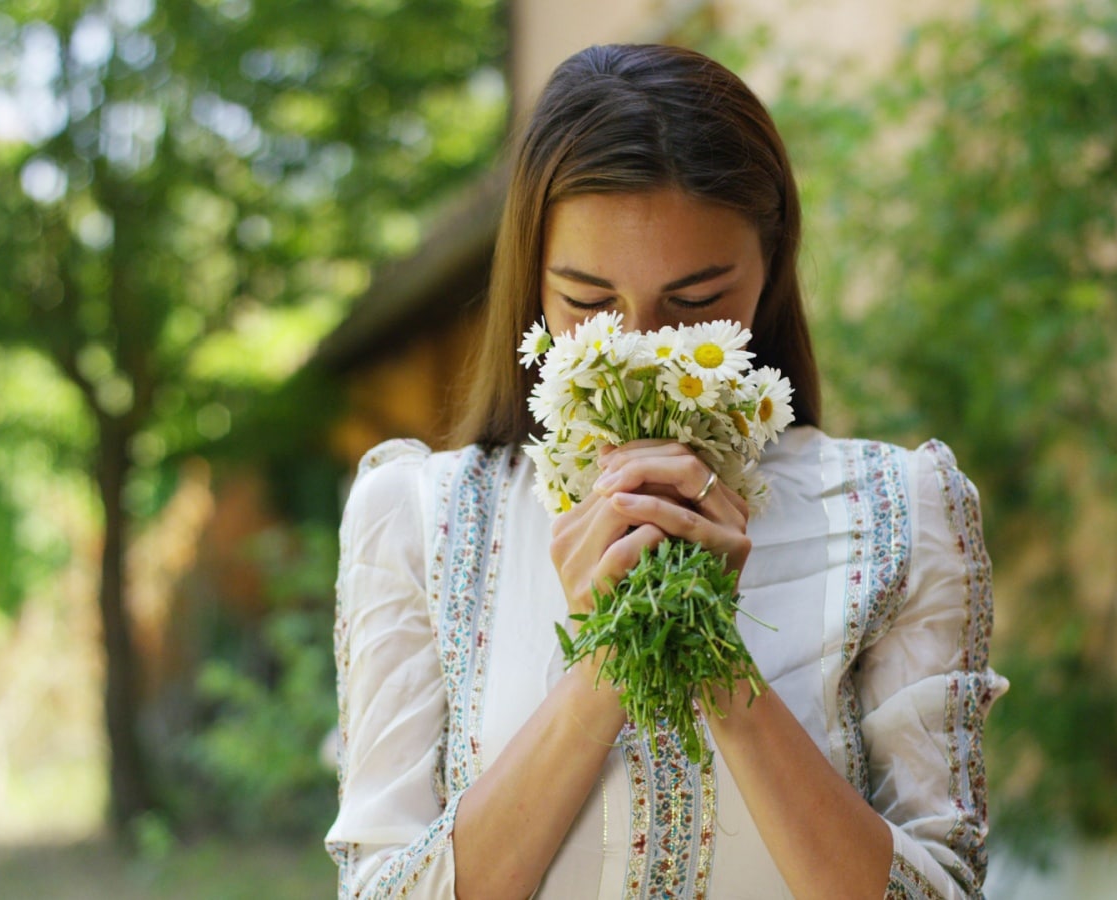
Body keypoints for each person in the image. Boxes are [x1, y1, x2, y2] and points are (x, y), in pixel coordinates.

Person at [325, 43, 1007, 899]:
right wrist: (607, 656)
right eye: (585, 304)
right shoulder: (418, 519)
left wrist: (719, 662)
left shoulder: (903, 512)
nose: (641, 351)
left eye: (696, 305)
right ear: (532, 284)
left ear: (770, 273)